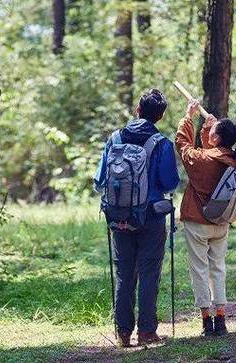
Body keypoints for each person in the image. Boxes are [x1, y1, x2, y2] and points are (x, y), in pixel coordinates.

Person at [94, 89, 180, 347]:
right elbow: (170, 182)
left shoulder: (115, 138)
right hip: (151, 217)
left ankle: (122, 333)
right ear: (161, 115)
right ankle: (146, 331)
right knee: (149, 272)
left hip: (118, 216)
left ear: (137, 109)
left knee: (124, 274)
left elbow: (100, 181)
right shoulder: (162, 143)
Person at [175, 99, 236, 336]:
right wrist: (209, 130)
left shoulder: (204, 160)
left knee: (199, 269)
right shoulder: (235, 161)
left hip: (197, 222)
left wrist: (188, 118)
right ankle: (221, 318)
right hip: (221, 223)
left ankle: (206, 320)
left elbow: (183, 146)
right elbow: (209, 153)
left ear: (217, 139)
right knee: (217, 269)